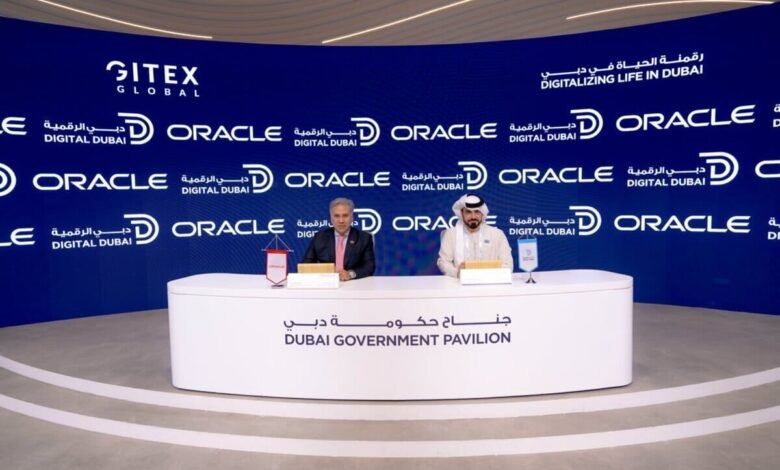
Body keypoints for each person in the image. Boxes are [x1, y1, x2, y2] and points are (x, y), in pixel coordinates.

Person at [437, 194, 513, 278]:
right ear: (462, 213)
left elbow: (507, 264)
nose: (473, 217)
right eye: (468, 212)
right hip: (459, 285)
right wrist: (456, 272)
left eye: (477, 212)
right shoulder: (451, 234)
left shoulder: (497, 234)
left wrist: (491, 277)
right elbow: (443, 261)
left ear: (482, 213)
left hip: (491, 286)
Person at [302, 197, 376, 281]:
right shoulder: (319, 237)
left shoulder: (364, 238)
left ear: (352, 217)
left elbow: (369, 266)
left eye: (345, 215)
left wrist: (350, 274)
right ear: (330, 218)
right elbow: (306, 264)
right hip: (326, 284)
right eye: (336, 216)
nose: (341, 220)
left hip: (353, 285)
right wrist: (325, 273)